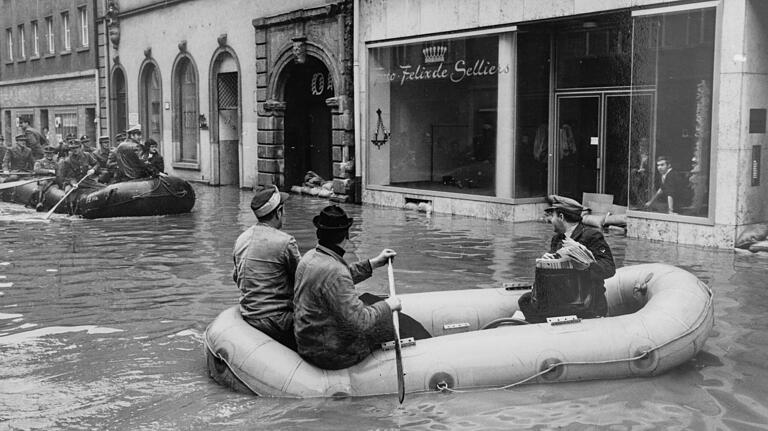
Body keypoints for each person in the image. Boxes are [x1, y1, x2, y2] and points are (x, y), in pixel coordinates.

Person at [293, 205, 430, 370]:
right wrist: (388, 305)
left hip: (310, 341)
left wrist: (373, 264)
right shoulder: (335, 272)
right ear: (346, 235)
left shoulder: (309, 258)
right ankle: (429, 352)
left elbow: (337, 280)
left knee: (368, 299)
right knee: (397, 322)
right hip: (331, 352)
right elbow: (361, 322)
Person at [518, 195, 616, 323]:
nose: (550, 220)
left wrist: (587, 266)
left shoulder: (592, 236)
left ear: (561, 217)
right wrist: (548, 261)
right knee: (525, 300)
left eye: (552, 216)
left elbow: (609, 268)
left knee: (541, 307)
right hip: (563, 297)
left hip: (587, 301)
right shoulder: (557, 239)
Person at [232, 185, 301, 349]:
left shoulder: (241, 239)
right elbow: (306, 279)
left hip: (249, 316)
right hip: (278, 321)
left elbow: (237, 277)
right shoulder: (285, 241)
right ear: (279, 212)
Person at [56, 139, 102, 213]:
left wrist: (93, 169)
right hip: (72, 183)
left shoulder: (87, 155)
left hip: (86, 181)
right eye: (72, 148)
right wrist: (73, 183)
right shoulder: (67, 161)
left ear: (80, 147)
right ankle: (70, 213)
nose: (75, 150)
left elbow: (96, 164)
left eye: (76, 147)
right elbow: (68, 177)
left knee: (103, 188)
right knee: (69, 193)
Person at [31, 145, 59, 210]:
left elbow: (58, 172)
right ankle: (39, 202)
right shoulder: (39, 162)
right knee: (42, 185)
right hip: (43, 179)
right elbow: (37, 170)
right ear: (45, 154)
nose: (49, 155)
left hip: (53, 180)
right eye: (47, 153)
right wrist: (49, 171)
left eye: (51, 153)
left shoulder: (56, 163)